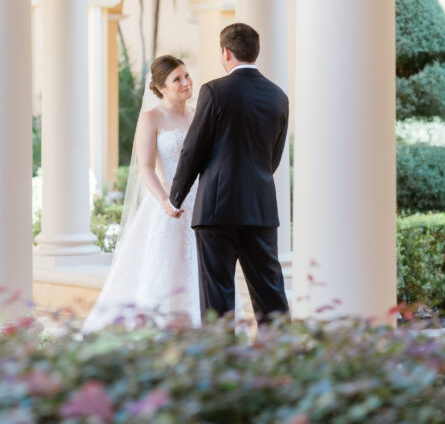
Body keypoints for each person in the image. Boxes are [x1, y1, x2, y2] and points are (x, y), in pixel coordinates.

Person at [83, 55, 239, 331]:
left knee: (206, 269)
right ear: (160, 88)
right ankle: (163, 328)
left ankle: (207, 329)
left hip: (202, 205)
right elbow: (145, 167)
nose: (186, 82)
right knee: (166, 267)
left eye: (187, 75)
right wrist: (165, 200)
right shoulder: (151, 118)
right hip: (167, 204)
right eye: (177, 79)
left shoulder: (199, 114)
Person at [169, 23, 290, 324]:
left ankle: (221, 353)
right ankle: (282, 351)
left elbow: (193, 149)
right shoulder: (279, 96)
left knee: (217, 300)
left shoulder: (214, 91)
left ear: (226, 52)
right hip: (261, 210)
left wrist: (175, 197)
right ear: (255, 52)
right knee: (271, 295)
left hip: (216, 209)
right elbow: (272, 158)